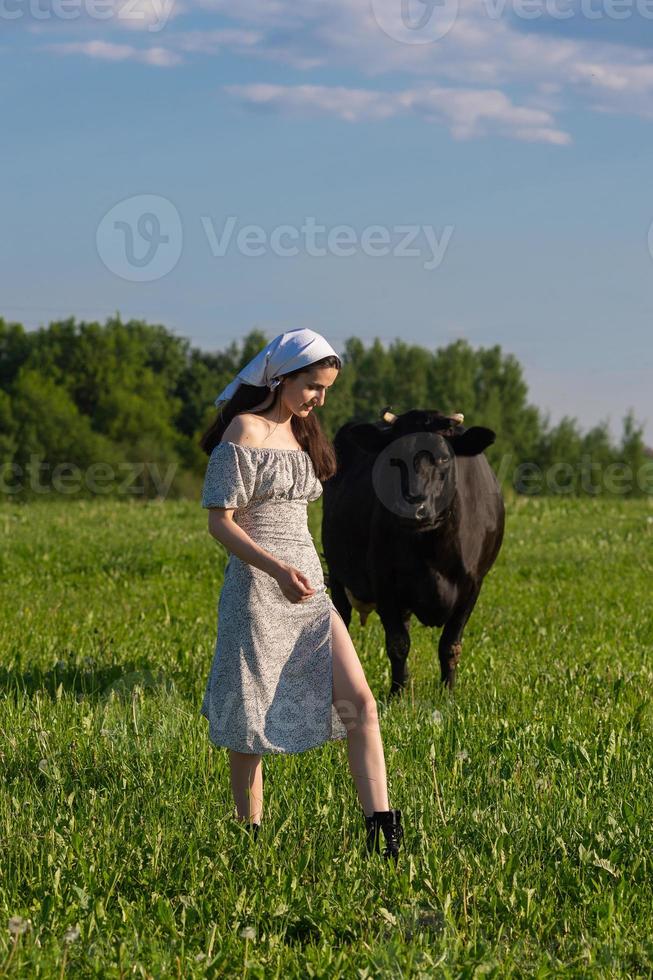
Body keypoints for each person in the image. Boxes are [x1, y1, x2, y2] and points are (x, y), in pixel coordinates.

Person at [198, 328, 404, 861]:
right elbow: (220, 523)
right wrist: (275, 569)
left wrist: (308, 572)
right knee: (250, 720)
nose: (319, 399)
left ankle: (383, 835)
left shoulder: (305, 435)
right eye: (312, 386)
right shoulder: (242, 430)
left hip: (308, 585)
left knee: (360, 700)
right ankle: (250, 843)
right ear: (281, 378)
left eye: (326, 389)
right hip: (257, 584)